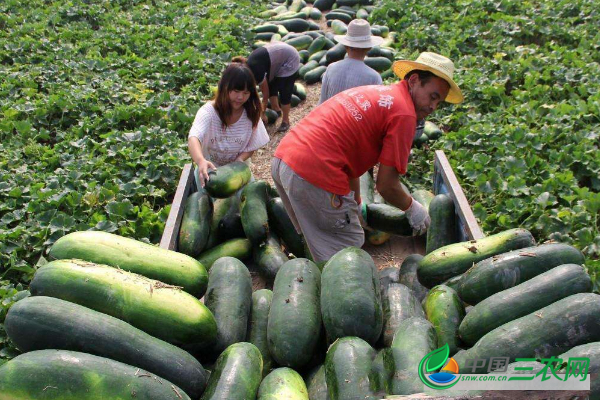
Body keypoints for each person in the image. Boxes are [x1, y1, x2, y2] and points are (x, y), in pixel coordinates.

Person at [271, 52, 464, 263]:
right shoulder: (404, 114)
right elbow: (386, 186)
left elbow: (352, 161)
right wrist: (412, 208)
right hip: (312, 174)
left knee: (318, 238)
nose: (433, 107)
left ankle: (316, 281)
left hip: (284, 160)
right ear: (415, 80)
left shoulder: (380, 93)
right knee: (348, 255)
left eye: (439, 102)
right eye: (433, 96)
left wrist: (356, 202)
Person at [188, 59, 270, 187]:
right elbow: (194, 137)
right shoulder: (209, 111)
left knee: (248, 199)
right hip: (209, 171)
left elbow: (252, 146)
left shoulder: (251, 113)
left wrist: (240, 160)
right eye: (236, 91)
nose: (240, 97)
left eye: (246, 93)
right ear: (225, 87)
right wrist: (200, 161)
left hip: (237, 169)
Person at [319, 19, 384, 105]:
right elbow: (375, 110)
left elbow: (322, 103)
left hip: (329, 117)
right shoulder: (374, 78)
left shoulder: (331, 68)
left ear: (345, 45)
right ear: (369, 48)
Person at [245, 42, 301, 133]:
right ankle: (277, 110)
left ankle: (285, 121)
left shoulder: (255, 72)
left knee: (285, 90)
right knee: (271, 84)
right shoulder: (249, 68)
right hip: (278, 56)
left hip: (290, 58)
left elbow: (265, 95)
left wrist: (262, 113)